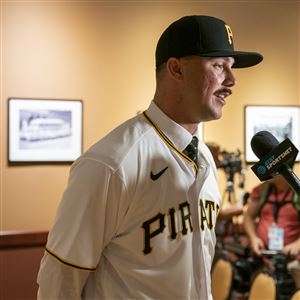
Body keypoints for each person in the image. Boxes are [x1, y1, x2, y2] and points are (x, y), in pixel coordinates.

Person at [37, 15, 263, 299]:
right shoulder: (111, 163)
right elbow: (60, 280)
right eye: (218, 66)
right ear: (176, 68)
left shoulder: (203, 155)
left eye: (230, 68)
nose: (232, 80)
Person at [243, 174, 300, 288]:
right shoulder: (262, 190)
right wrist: (254, 238)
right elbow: (248, 217)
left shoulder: (297, 190)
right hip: (263, 256)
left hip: (291, 259)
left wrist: (298, 244)